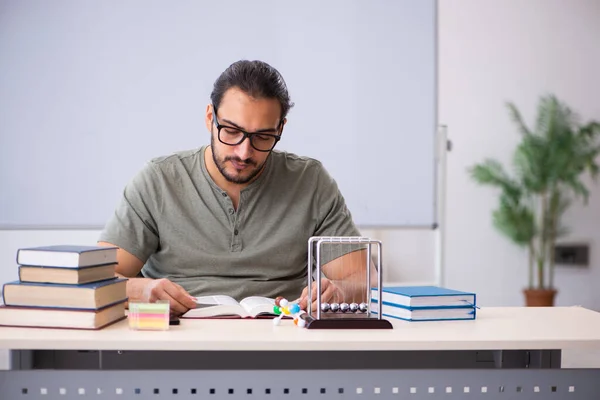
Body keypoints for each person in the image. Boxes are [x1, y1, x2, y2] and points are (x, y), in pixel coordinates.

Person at [98, 60, 371, 315]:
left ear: (281, 129)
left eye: (263, 137)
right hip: (179, 337)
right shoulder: (158, 181)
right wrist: (138, 289)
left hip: (282, 336)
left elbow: (360, 278)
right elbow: (98, 277)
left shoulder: (310, 182)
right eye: (230, 131)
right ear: (210, 117)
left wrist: (338, 291)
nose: (243, 152)